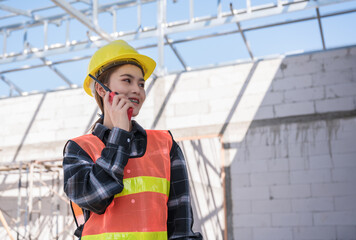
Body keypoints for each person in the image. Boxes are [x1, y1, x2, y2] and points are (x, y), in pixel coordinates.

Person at [63, 40, 202, 240]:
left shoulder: (165, 144)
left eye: (141, 83)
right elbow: (95, 198)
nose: (138, 90)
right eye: (127, 80)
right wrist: (120, 134)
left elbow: (180, 226)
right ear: (102, 89)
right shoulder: (79, 148)